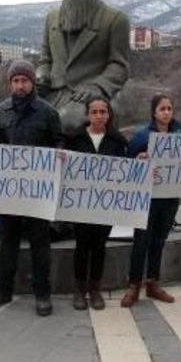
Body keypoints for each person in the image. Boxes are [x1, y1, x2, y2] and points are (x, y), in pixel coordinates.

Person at [0, 60, 64, 316]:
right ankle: (2, 291)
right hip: (9, 193)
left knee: (40, 244)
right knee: (8, 242)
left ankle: (42, 295)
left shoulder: (49, 113)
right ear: (10, 83)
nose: (20, 85)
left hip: (37, 193)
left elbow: (58, 141)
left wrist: (59, 152)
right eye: (15, 81)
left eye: (24, 80)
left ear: (32, 82)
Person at [36, 0, 130, 136]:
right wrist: (41, 74)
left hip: (88, 98)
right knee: (10, 117)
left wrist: (97, 86)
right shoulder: (51, 18)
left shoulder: (114, 20)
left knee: (67, 121)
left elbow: (119, 65)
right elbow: (45, 59)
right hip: (51, 93)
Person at [66, 95, 128, 310]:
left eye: (103, 112)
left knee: (99, 247)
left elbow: (127, 170)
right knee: (82, 247)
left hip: (105, 206)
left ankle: (95, 289)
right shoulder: (74, 139)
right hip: (81, 205)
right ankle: (79, 290)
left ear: (109, 114)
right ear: (88, 114)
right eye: (94, 112)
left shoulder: (117, 141)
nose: (99, 116)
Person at [121, 94, 179, 307]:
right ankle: (134, 285)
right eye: (162, 108)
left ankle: (153, 283)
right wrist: (138, 161)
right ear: (154, 112)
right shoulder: (142, 136)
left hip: (169, 198)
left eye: (169, 108)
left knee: (159, 241)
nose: (166, 112)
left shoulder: (178, 136)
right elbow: (127, 164)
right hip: (147, 198)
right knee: (141, 242)